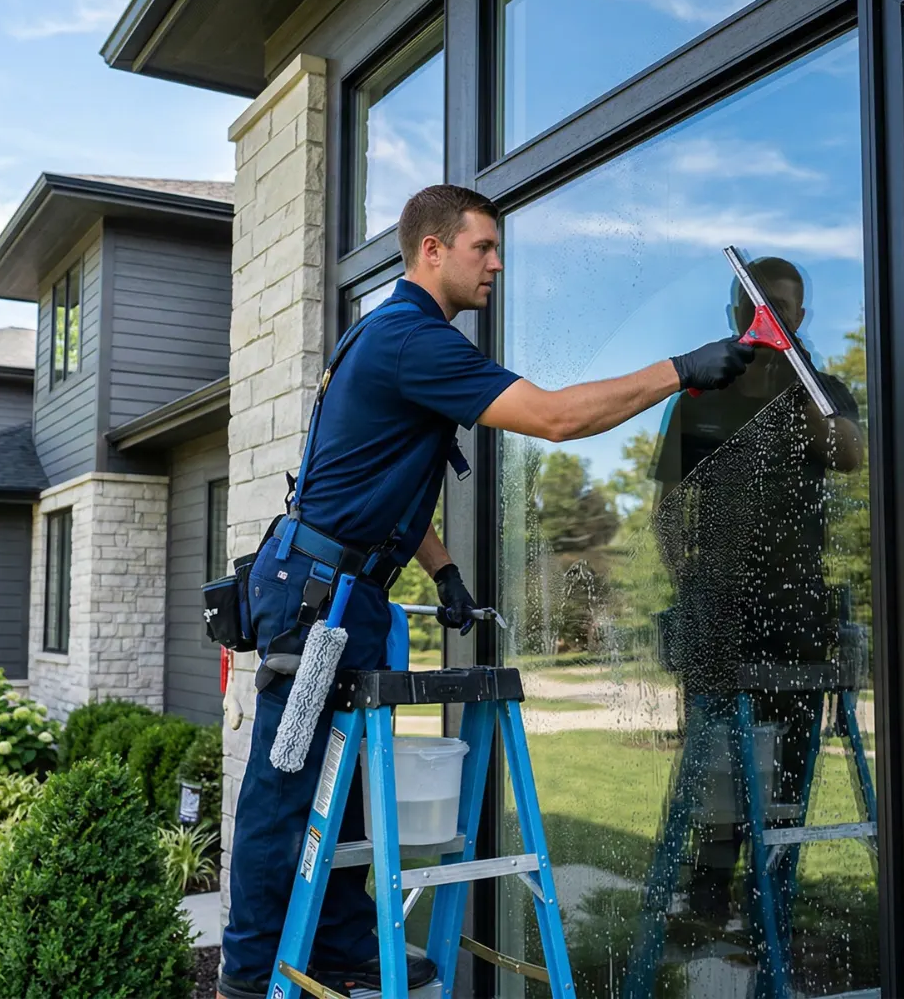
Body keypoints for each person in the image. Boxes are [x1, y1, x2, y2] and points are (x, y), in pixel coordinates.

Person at [217, 184, 755, 999]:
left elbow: (368, 483)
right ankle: (248, 977)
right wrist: (678, 372)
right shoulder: (410, 338)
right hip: (316, 598)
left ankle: (338, 945)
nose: (497, 263)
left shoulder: (393, 336)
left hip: (341, 587)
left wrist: (440, 567)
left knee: (349, 783)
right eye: (484, 248)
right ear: (432, 249)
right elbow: (555, 418)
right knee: (284, 789)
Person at [648, 256, 864, 923]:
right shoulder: (705, 394)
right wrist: (691, 579)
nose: (773, 314)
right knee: (713, 755)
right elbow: (664, 507)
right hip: (716, 603)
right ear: (737, 313)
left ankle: (772, 894)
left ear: (800, 318)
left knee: (794, 751)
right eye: (760, 303)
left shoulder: (822, 389)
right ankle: (709, 888)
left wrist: (795, 378)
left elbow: (852, 454)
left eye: (786, 306)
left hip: (798, 602)